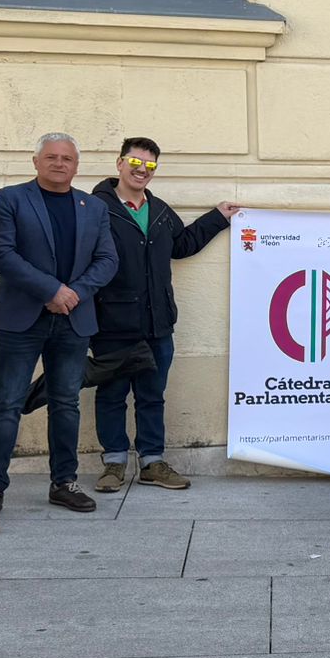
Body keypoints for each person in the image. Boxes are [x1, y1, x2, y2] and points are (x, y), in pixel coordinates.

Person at [0, 134, 118, 519]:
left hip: (74, 320)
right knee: (7, 403)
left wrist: (72, 294)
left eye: (67, 158)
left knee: (66, 403)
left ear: (76, 164)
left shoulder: (94, 206)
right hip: (20, 320)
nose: (59, 164)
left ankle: (64, 483)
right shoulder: (9, 199)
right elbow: (0, 253)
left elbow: (107, 259)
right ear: (35, 161)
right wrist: (50, 290)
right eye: (51, 157)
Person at [87, 139, 236, 493]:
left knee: (152, 396)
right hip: (112, 325)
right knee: (111, 396)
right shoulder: (94, 207)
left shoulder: (160, 210)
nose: (142, 170)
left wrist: (218, 217)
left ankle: (152, 462)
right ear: (119, 163)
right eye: (136, 162)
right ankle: (114, 463)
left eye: (150, 165)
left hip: (158, 324)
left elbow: (182, 245)